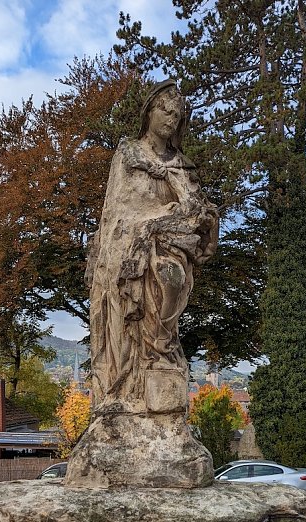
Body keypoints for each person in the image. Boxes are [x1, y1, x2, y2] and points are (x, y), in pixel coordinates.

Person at [87, 80, 219, 414]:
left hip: (169, 237)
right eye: (165, 110)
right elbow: (115, 208)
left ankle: (161, 343)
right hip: (129, 240)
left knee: (173, 279)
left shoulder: (182, 165)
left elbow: (195, 207)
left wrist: (195, 211)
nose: (171, 119)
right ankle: (133, 375)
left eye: (177, 114)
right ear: (150, 112)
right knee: (146, 296)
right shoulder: (128, 153)